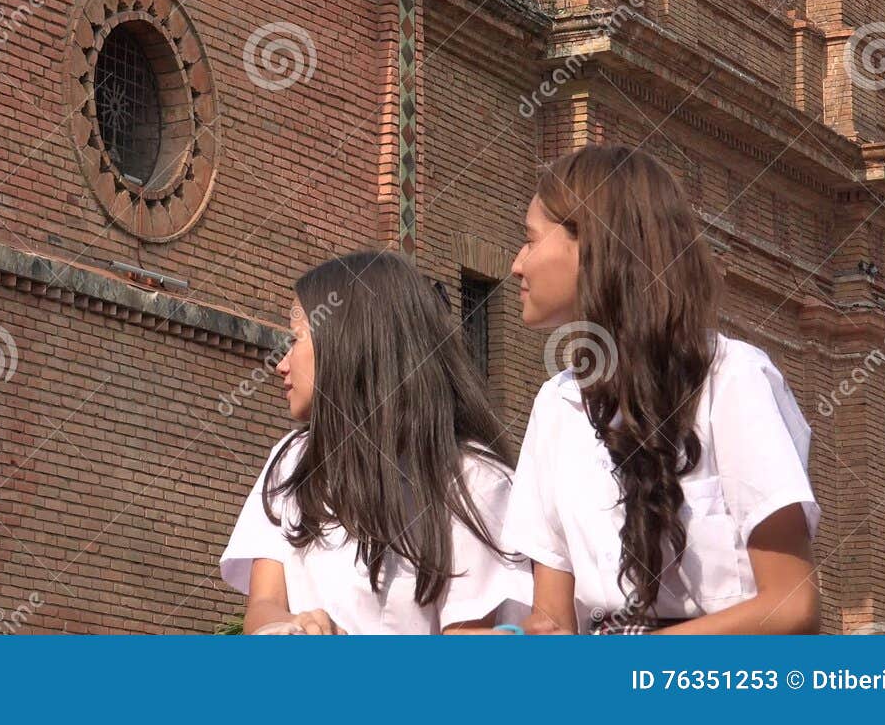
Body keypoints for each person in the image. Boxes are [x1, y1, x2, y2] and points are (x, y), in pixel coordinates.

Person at [503, 143, 820, 633]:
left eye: (530, 240)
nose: (516, 265)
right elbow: (553, 620)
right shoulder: (557, 405)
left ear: (594, 246)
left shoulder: (731, 379)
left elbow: (792, 604)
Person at [220, 251, 531, 634]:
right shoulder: (290, 460)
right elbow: (263, 606)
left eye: (296, 340)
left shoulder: (473, 480)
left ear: (350, 344)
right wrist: (291, 628)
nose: (281, 364)